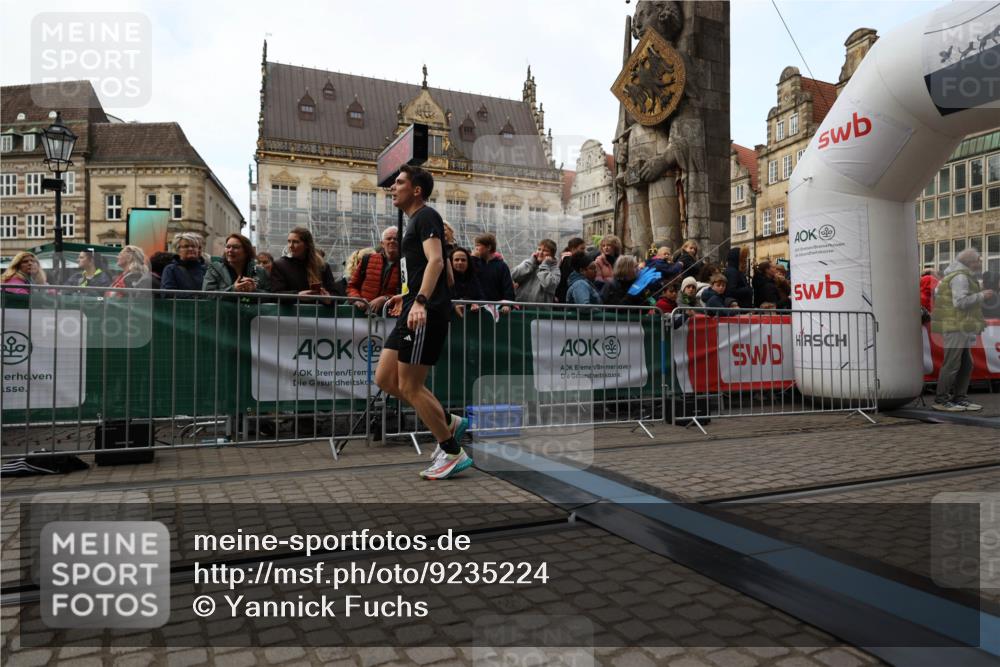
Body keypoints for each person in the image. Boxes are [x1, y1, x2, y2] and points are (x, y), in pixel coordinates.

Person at [376, 165, 471, 480]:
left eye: (400, 182)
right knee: (386, 378)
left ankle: (452, 450)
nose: (394, 187)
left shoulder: (427, 216)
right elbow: (417, 271)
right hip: (409, 314)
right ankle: (447, 419)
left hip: (423, 317)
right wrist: (404, 297)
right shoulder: (412, 222)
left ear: (416, 189)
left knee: (410, 385)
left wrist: (420, 301)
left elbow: (435, 262)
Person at [931, 249, 994, 411]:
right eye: (979, 260)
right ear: (970, 262)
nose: (981, 262)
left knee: (966, 364)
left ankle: (959, 397)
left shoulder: (956, 275)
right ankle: (942, 399)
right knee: (952, 363)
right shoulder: (960, 277)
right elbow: (960, 302)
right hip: (956, 326)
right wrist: (982, 296)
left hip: (959, 325)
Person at [269, 226, 338, 300]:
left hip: (316, 311)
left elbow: (335, 294)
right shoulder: (280, 265)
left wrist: (329, 299)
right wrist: (297, 295)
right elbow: (275, 294)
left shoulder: (322, 266)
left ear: (307, 245)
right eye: (289, 241)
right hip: (291, 311)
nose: (290, 246)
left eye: (296, 242)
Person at [346, 226, 401, 314]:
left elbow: (409, 293)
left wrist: (386, 299)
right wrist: (357, 299)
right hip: (361, 316)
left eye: (396, 239)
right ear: (382, 243)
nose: (392, 241)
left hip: (390, 317)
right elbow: (352, 286)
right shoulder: (367, 259)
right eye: (389, 238)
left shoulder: (406, 264)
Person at [203, 233, 270, 293]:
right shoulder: (215, 269)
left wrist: (254, 291)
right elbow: (207, 294)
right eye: (228, 247)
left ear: (246, 251)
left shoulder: (260, 271)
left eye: (235, 247)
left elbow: (270, 295)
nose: (230, 250)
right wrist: (233, 289)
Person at [472, 233, 515, 309]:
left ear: (488, 247)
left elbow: (508, 288)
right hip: (477, 307)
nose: (476, 248)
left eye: (478, 245)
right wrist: (473, 259)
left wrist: (507, 305)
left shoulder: (502, 266)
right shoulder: (475, 262)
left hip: (496, 308)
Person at [511, 239, 560, 304]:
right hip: (520, 308)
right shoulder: (528, 263)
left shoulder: (555, 269)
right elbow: (514, 275)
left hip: (540, 311)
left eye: (545, 250)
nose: (540, 252)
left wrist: (544, 266)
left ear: (552, 255)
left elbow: (549, 285)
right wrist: (530, 263)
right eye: (539, 249)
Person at [450, 247, 482, 318]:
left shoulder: (473, 278)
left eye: (463, 260)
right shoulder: (445, 278)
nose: (460, 262)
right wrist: (453, 306)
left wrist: (476, 304)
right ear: (451, 262)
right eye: (456, 260)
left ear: (468, 262)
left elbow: (481, 297)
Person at [555, 237, 586, 303]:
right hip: (564, 293)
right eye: (582, 248)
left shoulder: (566, 259)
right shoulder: (568, 260)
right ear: (573, 249)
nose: (584, 251)